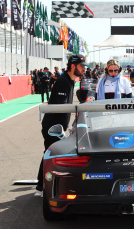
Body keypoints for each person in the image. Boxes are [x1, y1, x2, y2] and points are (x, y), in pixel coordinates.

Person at [35, 54, 87, 196]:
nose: (84, 69)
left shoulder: (69, 80)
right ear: (73, 66)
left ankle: (40, 186)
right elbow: (62, 106)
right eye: (82, 66)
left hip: (57, 126)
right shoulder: (64, 81)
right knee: (50, 154)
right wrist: (80, 108)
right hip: (53, 127)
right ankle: (41, 187)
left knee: (50, 153)